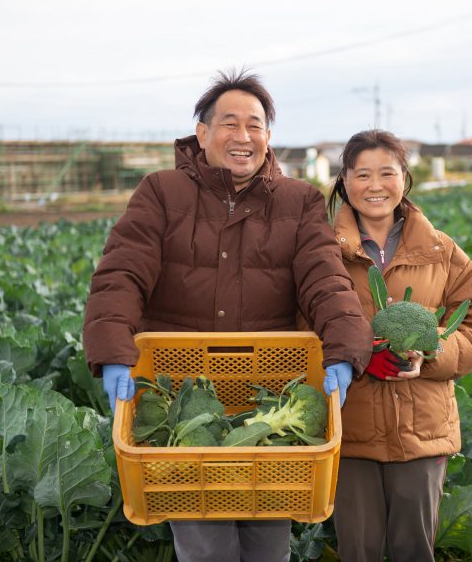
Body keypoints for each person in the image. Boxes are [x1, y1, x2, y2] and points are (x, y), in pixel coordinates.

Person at [82, 69, 373, 562]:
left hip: (272, 402)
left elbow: (327, 281)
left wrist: (345, 349)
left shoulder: (298, 202)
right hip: (183, 406)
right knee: (204, 548)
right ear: (201, 134)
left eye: (255, 125)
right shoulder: (161, 192)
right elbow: (121, 275)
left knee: (268, 546)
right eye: (229, 123)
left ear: (268, 137)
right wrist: (113, 353)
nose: (244, 136)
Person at [327, 129, 472, 562]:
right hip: (350, 428)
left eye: (387, 172)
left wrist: (432, 353)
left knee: (413, 550)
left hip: (423, 430)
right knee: (357, 550)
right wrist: (358, 354)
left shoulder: (441, 250)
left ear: (404, 178)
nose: (375, 185)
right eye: (362, 174)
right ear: (344, 180)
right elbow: (302, 324)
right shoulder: (322, 253)